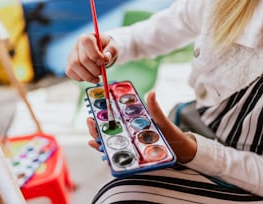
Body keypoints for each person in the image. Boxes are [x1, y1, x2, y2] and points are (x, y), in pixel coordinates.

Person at [66, 0, 263, 203]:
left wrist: (192, 151)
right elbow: (164, 27)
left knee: (117, 196)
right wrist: (112, 45)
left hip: (247, 178)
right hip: (198, 124)